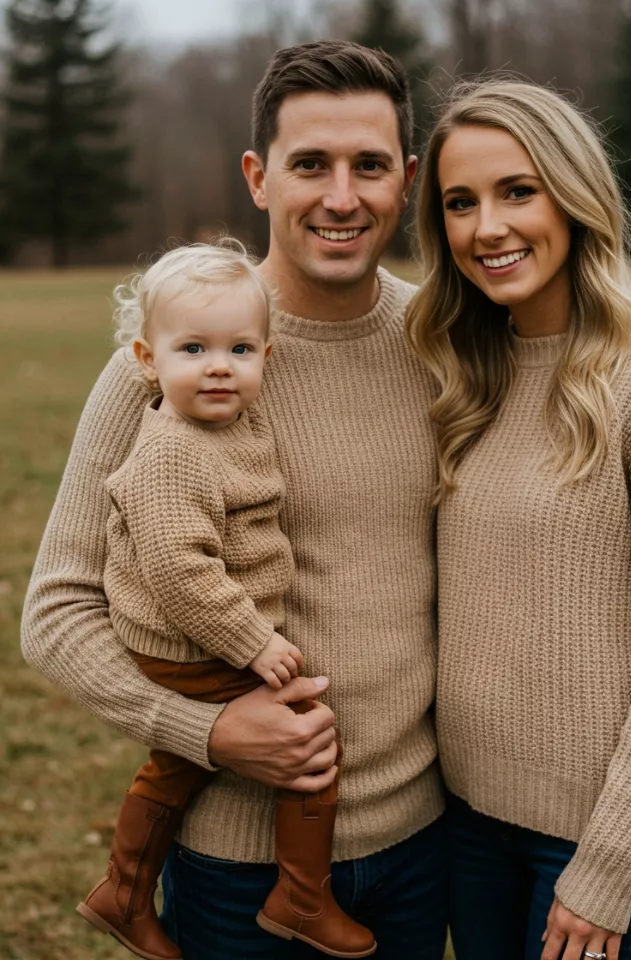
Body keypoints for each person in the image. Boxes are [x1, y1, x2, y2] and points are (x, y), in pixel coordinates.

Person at [21, 42, 447, 960]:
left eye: (370, 166)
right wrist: (206, 731)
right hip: (232, 869)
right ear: (258, 177)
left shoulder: (445, 344)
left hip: (422, 846)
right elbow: (55, 613)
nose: (342, 197)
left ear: (407, 181)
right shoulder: (170, 364)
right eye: (310, 165)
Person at [406, 80, 631, 960]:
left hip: (595, 841)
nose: (488, 228)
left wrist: (608, 865)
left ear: (574, 193)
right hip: (469, 824)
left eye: (518, 191)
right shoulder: (466, 369)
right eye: (460, 203)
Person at [75, 239, 375, 960]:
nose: (219, 366)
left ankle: (123, 892)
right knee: (308, 741)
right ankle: (301, 896)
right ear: (148, 361)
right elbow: (182, 573)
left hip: (196, 637)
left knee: (173, 769)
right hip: (188, 644)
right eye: (193, 349)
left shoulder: (238, 424)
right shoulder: (172, 451)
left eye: (240, 350)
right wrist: (255, 643)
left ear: (266, 357)